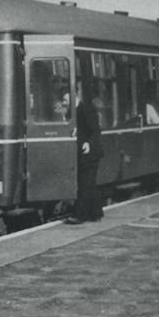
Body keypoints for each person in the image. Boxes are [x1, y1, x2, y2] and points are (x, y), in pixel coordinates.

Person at [65, 80, 104, 224]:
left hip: (91, 153)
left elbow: (95, 130)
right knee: (89, 183)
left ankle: (80, 216)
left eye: (65, 98)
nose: (64, 101)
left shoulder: (86, 109)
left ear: (73, 95)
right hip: (82, 153)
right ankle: (96, 214)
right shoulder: (72, 111)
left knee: (84, 183)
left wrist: (88, 143)